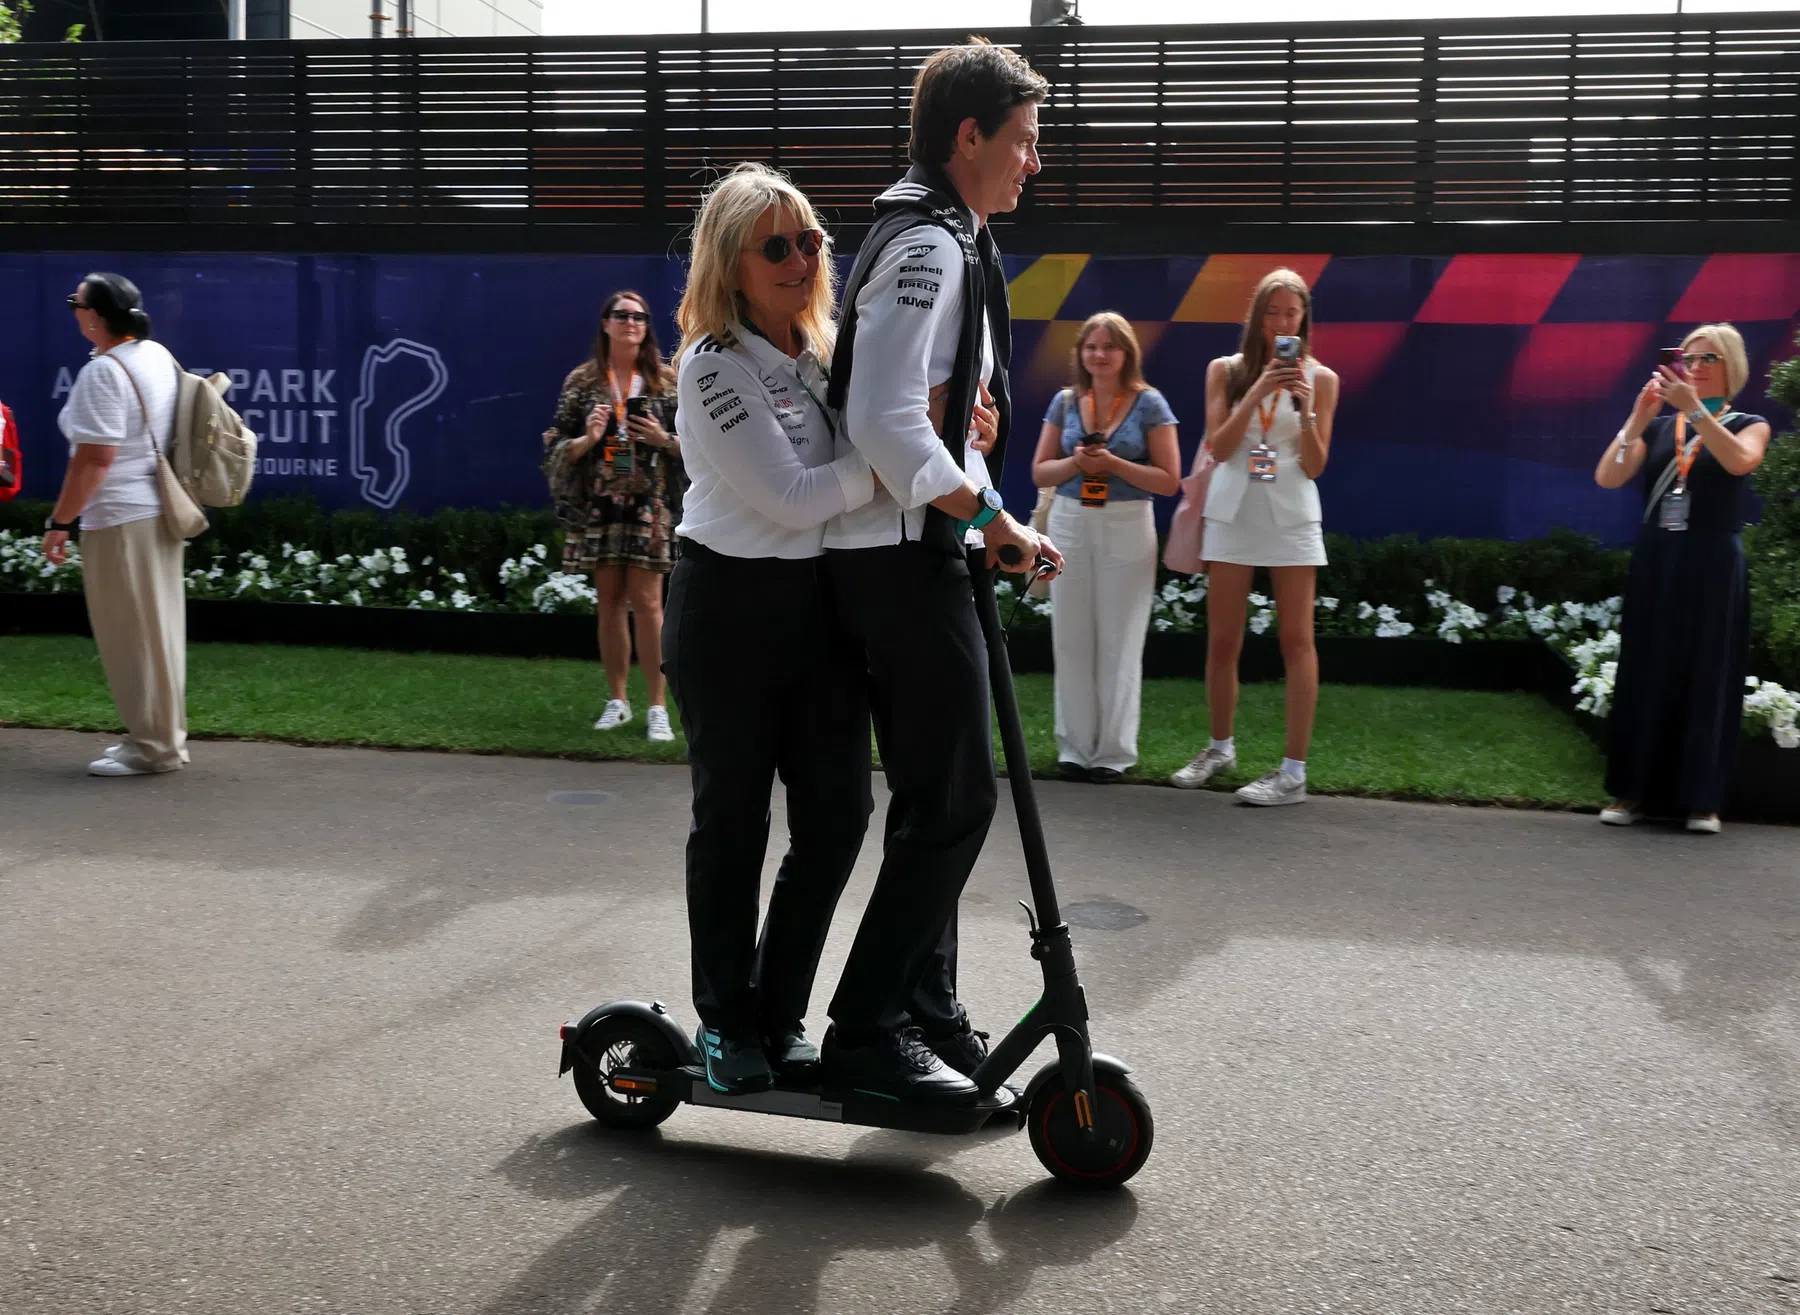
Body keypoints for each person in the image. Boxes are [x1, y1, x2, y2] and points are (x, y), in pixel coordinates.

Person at [818, 38, 1063, 1104]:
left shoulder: (942, 231)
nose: (1032, 163)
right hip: (900, 559)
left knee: (938, 799)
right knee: (957, 799)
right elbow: (877, 418)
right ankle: (867, 1028)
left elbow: (915, 408)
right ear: (968, 137)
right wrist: (993, 512)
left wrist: (969, 447)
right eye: (1022, 141)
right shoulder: (927, 245)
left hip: (915, 550)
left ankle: (921, 1006)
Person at [663, 164, 881, 1093]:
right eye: (778, 246)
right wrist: (894, 459)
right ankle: (723, 1020)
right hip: (727, 613)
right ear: (732, 264)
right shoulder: (713, 362)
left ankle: (777, 1006)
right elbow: (795, 498)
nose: (803, 258)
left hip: (818, 610)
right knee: (735, 825)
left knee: (838, 815)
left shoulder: (827, 346)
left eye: (813, 241)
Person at [1593, 324, 1773, 834]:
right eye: (1686, 357)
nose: (1693, 366)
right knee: (1646, 667)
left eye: (1707, 358)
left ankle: (1702, 799)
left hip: (1713, 561)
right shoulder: (1656, 427)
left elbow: (1741, 461)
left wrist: (1696, 412)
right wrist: (1637, 418)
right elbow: (1608, 476)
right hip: (1659, 558)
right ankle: (1634, 792)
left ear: (1730, 367)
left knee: (1708, 671)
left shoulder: (1748, 422)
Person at [1171, 268, 1339, 805]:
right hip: (1233, 509)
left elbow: (1315, 465)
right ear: (1258, 317)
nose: (1283, 322)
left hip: (1291, 513)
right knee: (1223, 640)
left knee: (1297, 640)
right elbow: (1219, 447)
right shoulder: (1225, 370)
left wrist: (1305, 408)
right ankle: (1220, 748)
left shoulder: (1324, 378)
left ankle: (1293, 771)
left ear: (1303, 319)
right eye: (1274, 312)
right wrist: (1261, 388)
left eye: (1292, 313)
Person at [42, 273, 190, 777]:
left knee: (131, 636)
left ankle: (153, 748)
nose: (73, 310)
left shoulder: (105, 373)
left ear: (96, 315)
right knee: (157, 633)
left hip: (121, 517)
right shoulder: (154, 355)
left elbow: (93, 460)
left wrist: (60, 521)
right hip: (155, 511)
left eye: (75, 303)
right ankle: (158, 739)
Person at [1031, 312, 1180, 783]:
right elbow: (1040, 471)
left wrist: (1113, 463)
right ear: (1080, 354)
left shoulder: (1150, 403)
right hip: (1070, 522)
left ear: (1126, 353)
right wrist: (1076, 462)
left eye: (1109, 347)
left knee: (1120, 639)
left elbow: (1169, 479)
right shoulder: (1065, 401)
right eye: (1091, 346)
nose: (1099, 354)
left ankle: (1113, 754)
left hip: (1128, 523)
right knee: (1071, 638)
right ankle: (1074, 749)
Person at [543, 290, 684, 743]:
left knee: (648, 603)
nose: (631, 323)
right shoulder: (582, 383)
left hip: (650, 504)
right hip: (601, 503)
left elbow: (700, 447)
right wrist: (588, 440)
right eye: (621, 315)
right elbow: (555, 447)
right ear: (605, 324)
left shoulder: (666, 382)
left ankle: (657, 707)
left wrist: (663, 439)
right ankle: (618, 701)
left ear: (647, 327)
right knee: (609, 602)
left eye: (639, 316)